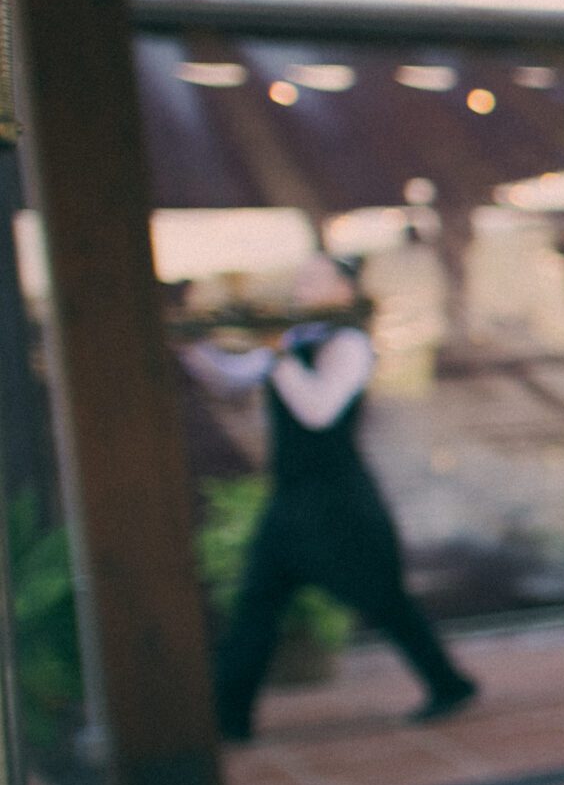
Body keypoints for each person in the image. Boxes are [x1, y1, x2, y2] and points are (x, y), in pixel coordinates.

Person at [193, 257, 478, 741]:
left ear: (344, 290)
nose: (299, 287)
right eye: (299, 278)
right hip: (293, 496)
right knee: (257, 603)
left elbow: (319, 410)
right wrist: (190, 344)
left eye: (312, 280)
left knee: (385, 600)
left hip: (338, 501)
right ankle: (229, 718)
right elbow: (231, 377)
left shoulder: (349, 344)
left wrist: (275, 353)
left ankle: (448, 683)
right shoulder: (293, 339)